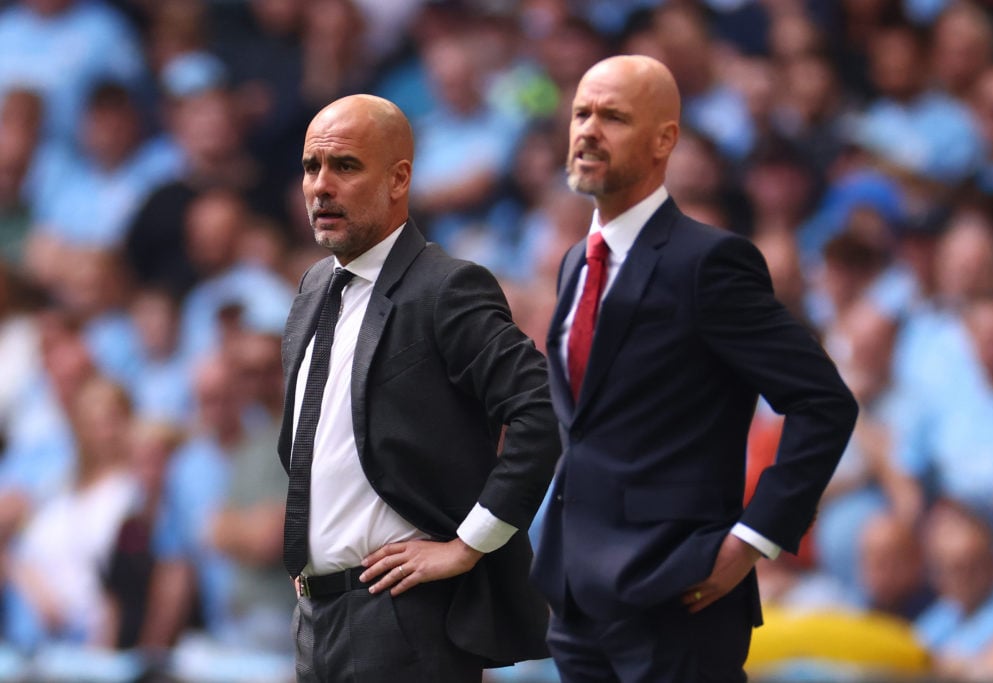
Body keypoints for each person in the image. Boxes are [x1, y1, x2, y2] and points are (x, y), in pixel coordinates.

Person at [530, 55, 858, 682]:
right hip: (575, 600)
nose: (589, 130)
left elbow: (823, 401)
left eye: (614, 116)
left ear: (665, 140)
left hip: (678, 592)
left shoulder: (711, 263)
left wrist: (755, 537)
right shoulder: (576, 260)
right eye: (581, 113)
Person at [280, 94, 559, 682]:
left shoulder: (447, 287)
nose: (321, 186)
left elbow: (541, 409)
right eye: (311, 167)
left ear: (399, 177)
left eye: (345, 166)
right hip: (316, 617)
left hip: (405, 618)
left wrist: (468, 544)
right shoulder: (311, 288)